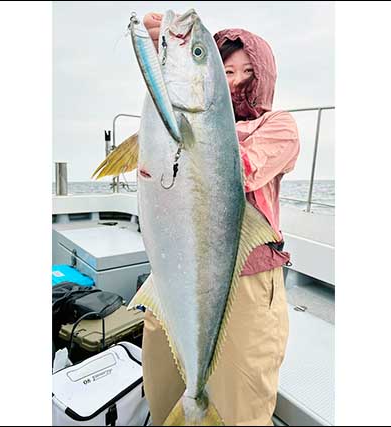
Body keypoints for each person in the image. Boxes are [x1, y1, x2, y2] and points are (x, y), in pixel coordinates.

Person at [140, 12, 300, 426]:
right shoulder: (176, 121)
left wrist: (192, 124)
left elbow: (231, 169)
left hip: (248, 283)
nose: (236, 80)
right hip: (172, 276)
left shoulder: (279, 126)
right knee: (163, 396)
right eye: (225, 69)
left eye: (249, 71)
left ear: (265, 75)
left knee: (239, 409)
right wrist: (162, 62)